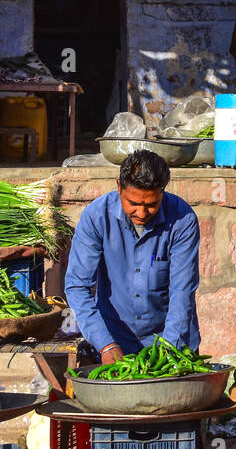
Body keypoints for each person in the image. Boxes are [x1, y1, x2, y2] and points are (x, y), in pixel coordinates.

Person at [65, 150, 201, 363]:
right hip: (114, 341)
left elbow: (182, 292)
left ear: (162, 192)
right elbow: (77, 286)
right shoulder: (96, 216)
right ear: (119, 187)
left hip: (172, 342)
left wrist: (168, 350)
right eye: (133, 203)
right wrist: (105, 344)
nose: (142, 212)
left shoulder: (182, 219)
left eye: (151, 205)